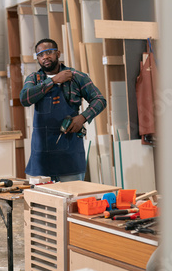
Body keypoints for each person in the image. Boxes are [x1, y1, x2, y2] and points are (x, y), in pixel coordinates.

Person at [20, 38, 107, 182]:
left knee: (72, 200)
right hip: (41, 157)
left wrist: (83, 117)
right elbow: (25, 99)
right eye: (41, 55)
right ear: (38, 59)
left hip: (69, 155)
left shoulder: (77, 77)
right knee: (42, 202)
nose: (45, 57)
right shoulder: (34, 79)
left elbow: (99, 100)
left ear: (58, 54)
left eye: (49, 52)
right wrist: (53, 81)